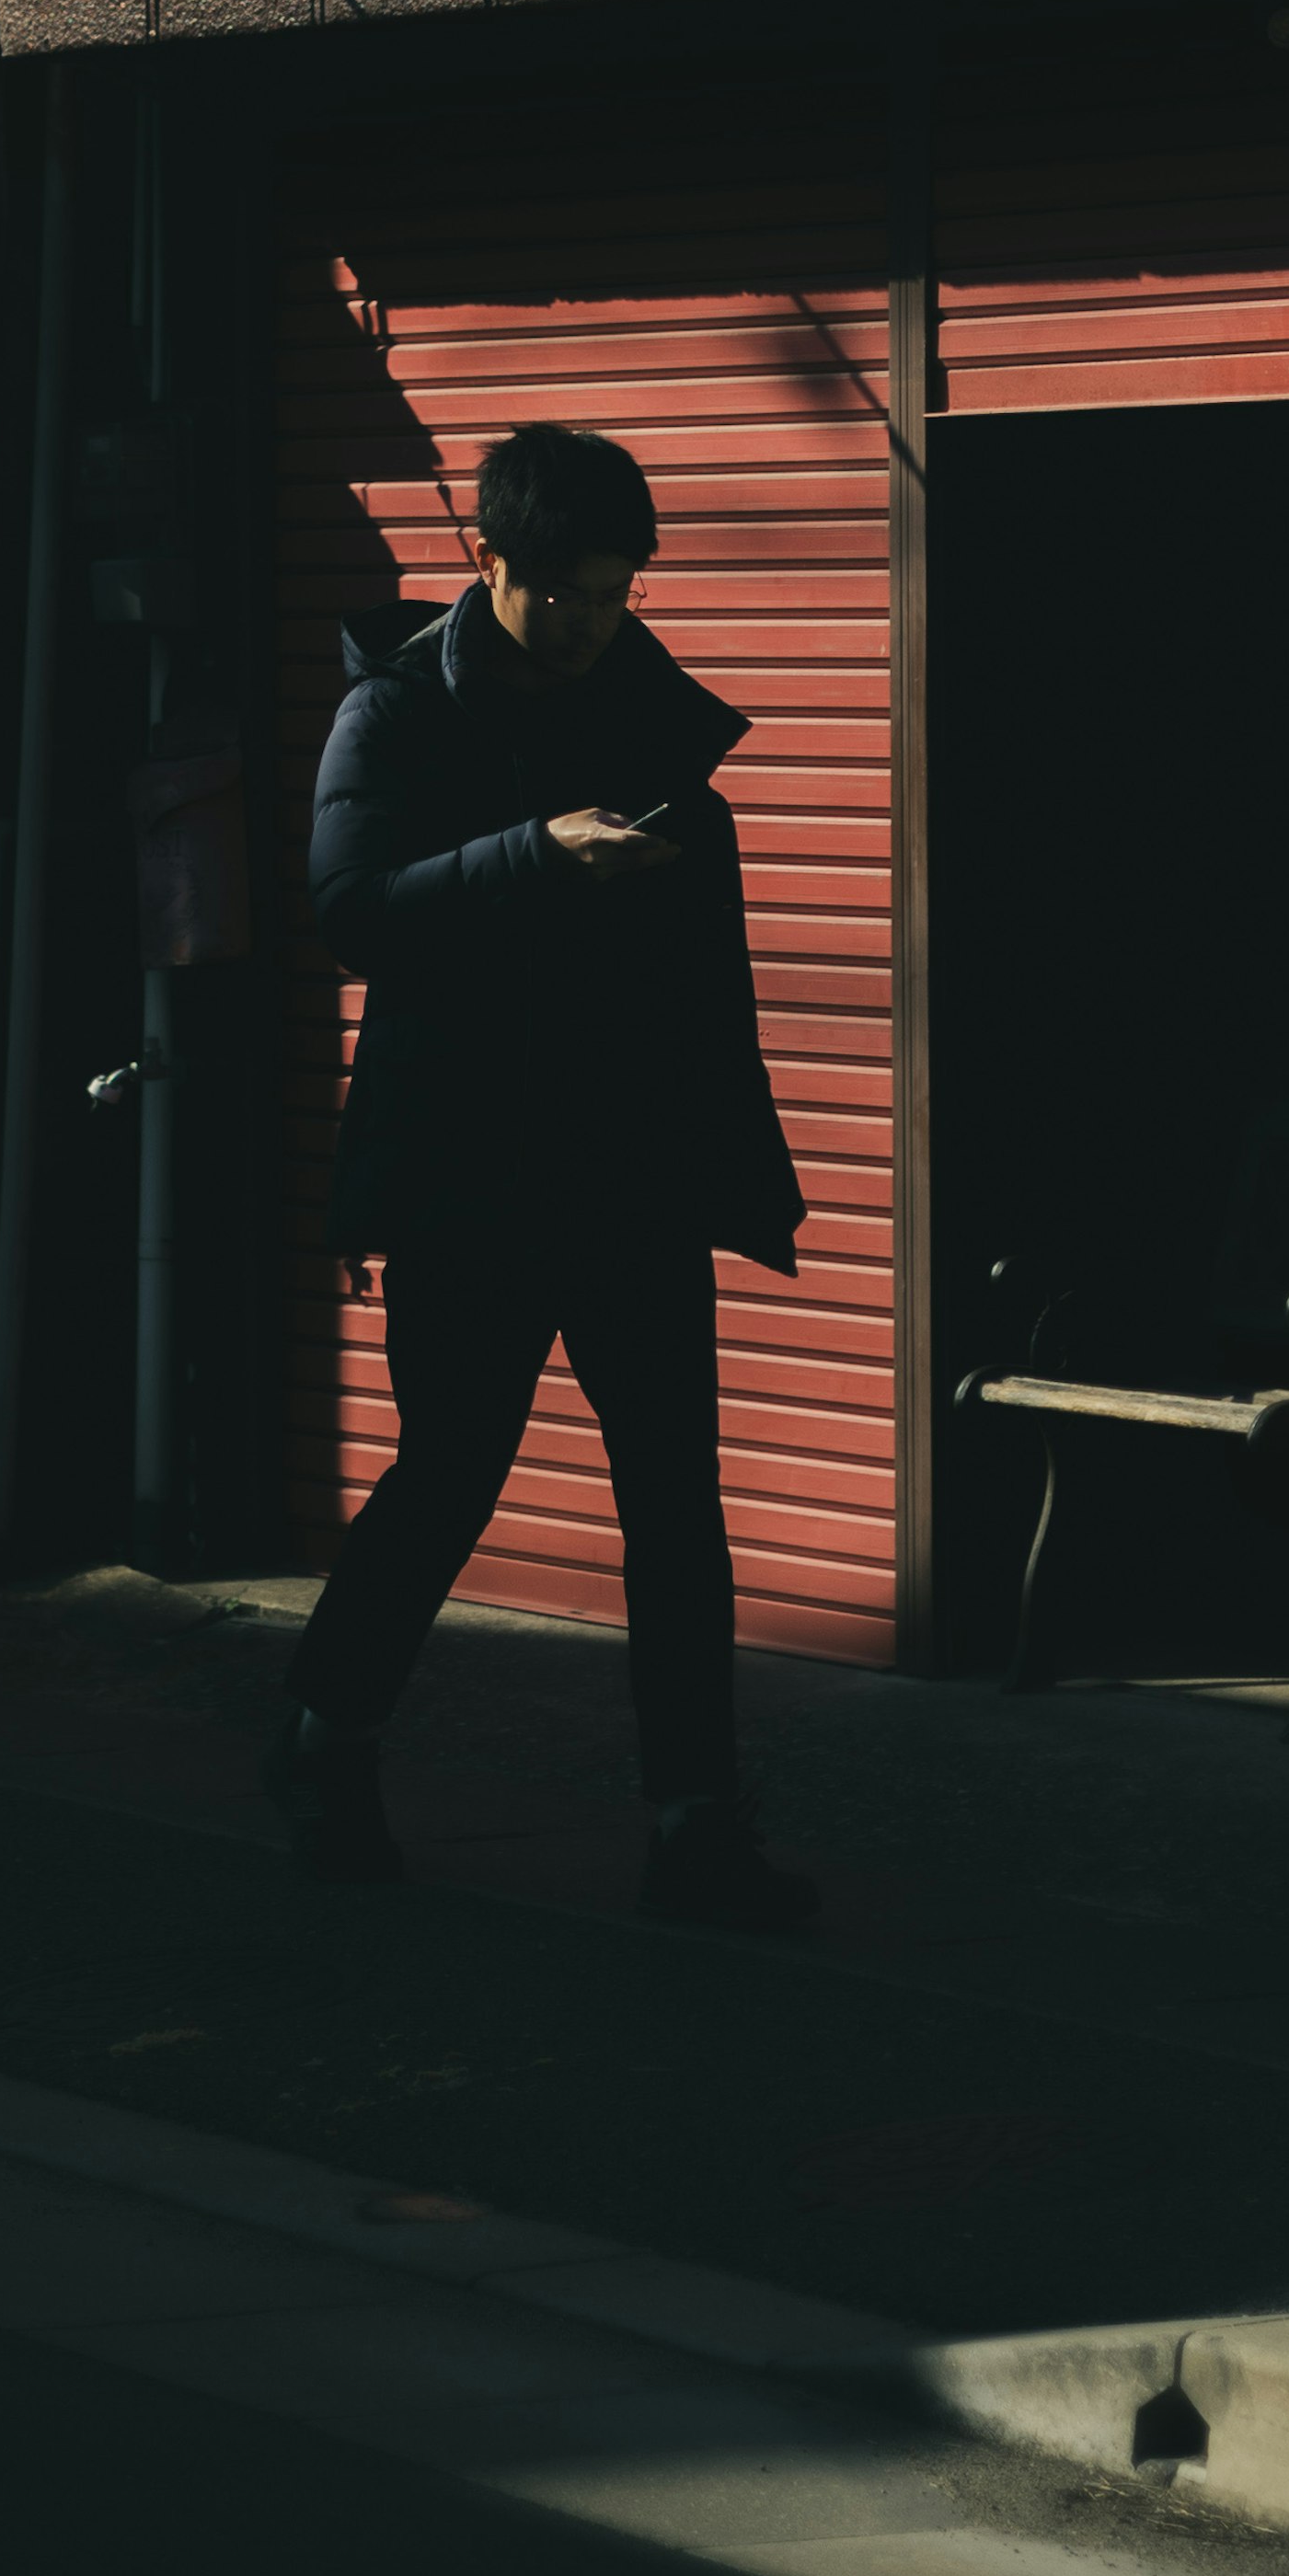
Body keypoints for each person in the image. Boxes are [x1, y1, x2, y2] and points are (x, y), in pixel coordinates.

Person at [265, 418, 817, 1932]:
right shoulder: (392, 713)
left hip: (630, 1170)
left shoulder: (644, 706)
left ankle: (696, 1828)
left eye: (615, 592)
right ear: (487, 560)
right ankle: (324, 1739)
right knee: (449, 1481)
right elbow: (352, 910)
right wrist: (532, 855)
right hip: (466, 1175)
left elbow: (715, 975)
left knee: (676, 1509)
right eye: (563, 593)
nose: (589, 623)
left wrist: (738, 1160)